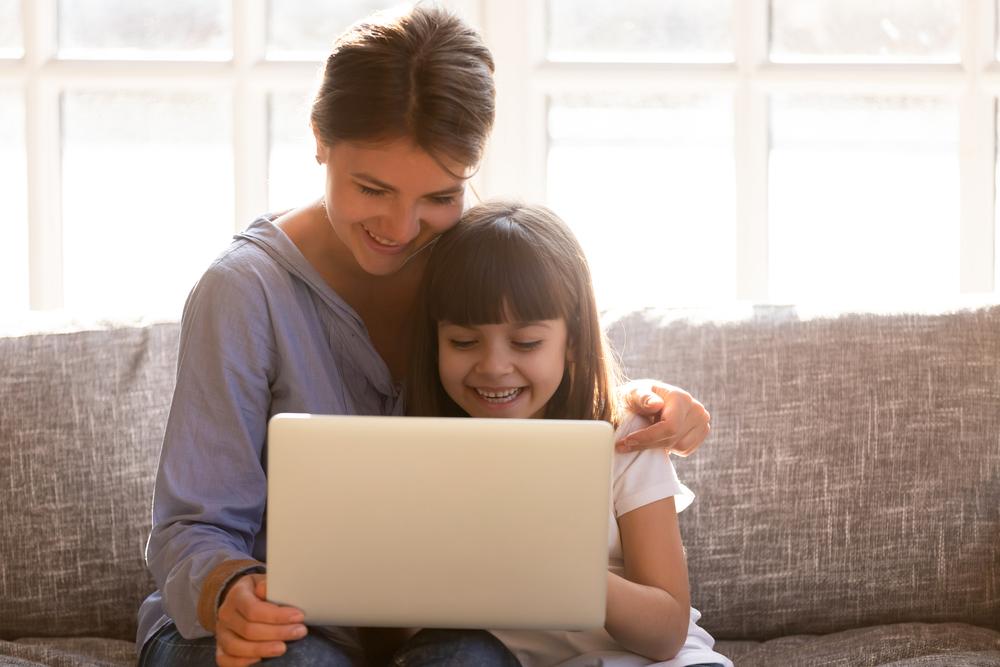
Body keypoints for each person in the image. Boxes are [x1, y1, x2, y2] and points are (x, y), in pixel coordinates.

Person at [137, 5, 712, 666]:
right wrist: (228, 590)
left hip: (437, 632)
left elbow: (537, 370)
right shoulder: (242, 293)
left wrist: (638, 401)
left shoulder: (469, 260)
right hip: (269, 625)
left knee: (467, 654)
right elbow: (191, 525)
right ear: (320, 139)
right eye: (372, 188)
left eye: (439, 195)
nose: (402, 227)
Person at [407, 201, 732, 667]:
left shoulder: (625, 438)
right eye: (463, 341)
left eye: (526, 343)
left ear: (573, 341)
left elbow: (665, 632)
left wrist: (564, 570)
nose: (494, 366)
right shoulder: (413, 452)